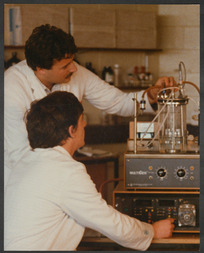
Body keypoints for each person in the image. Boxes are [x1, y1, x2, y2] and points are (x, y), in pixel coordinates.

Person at [4, 24, 176, 186]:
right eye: (65, 66)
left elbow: (118, 102)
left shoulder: (75, 73)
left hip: (61, 173)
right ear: (40, 68)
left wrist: (152, 95)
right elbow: (19, 153)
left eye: (72, 61)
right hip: (23, 179)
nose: (74, 69)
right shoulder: (12, 85)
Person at [4, 91, 175, 251]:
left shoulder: (25, 162)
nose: (85, 124)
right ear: (71, 131)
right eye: (81, 120)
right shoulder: (66, 171)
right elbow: (110, 223)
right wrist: (151, 230)